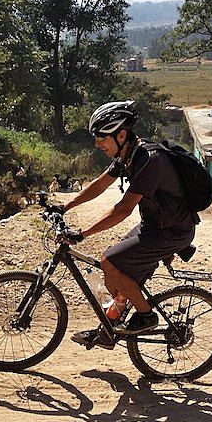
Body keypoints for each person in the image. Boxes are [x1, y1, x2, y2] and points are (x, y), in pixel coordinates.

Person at [50, 100, 198, 348]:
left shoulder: (149, 161)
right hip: (154, 226)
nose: (98, 145)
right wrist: (65, 206)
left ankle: (146, 315)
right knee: (118, 275)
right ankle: (109, 331)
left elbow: (123, 210)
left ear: (121, 134)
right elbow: (98, 186)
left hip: (172, 231)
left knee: (110, 261)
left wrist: (83, 234)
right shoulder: (127, 156)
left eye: (102, 138)